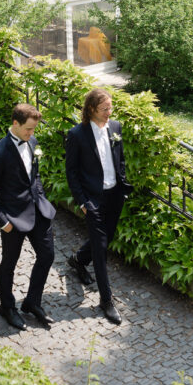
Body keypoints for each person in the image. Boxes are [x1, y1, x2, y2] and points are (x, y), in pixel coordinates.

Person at [0, 104, 56, 330]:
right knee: (9, 264)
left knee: (47, 256)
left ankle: (32, 302)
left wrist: (41, 197)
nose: (32, 134)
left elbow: (34, 177)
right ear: (15, 123)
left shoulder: (32, 143)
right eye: (28, 129)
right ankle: (7, 307)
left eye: (34, 130)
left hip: (38, 211)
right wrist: (2, 221)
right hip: (13, 219)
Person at [65, 88, 132, 324]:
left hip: (114, 195)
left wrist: (122, 186)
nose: (109, 112)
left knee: (105, 239)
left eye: (110, 107)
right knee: (101, 249)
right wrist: (83, 203)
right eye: (105, 109)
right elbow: (71, 173)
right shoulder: (77, 134)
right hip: (93, 200)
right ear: (91, 109)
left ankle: (79, 260)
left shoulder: (116, 128)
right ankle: (106, 300)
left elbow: (120, 159)